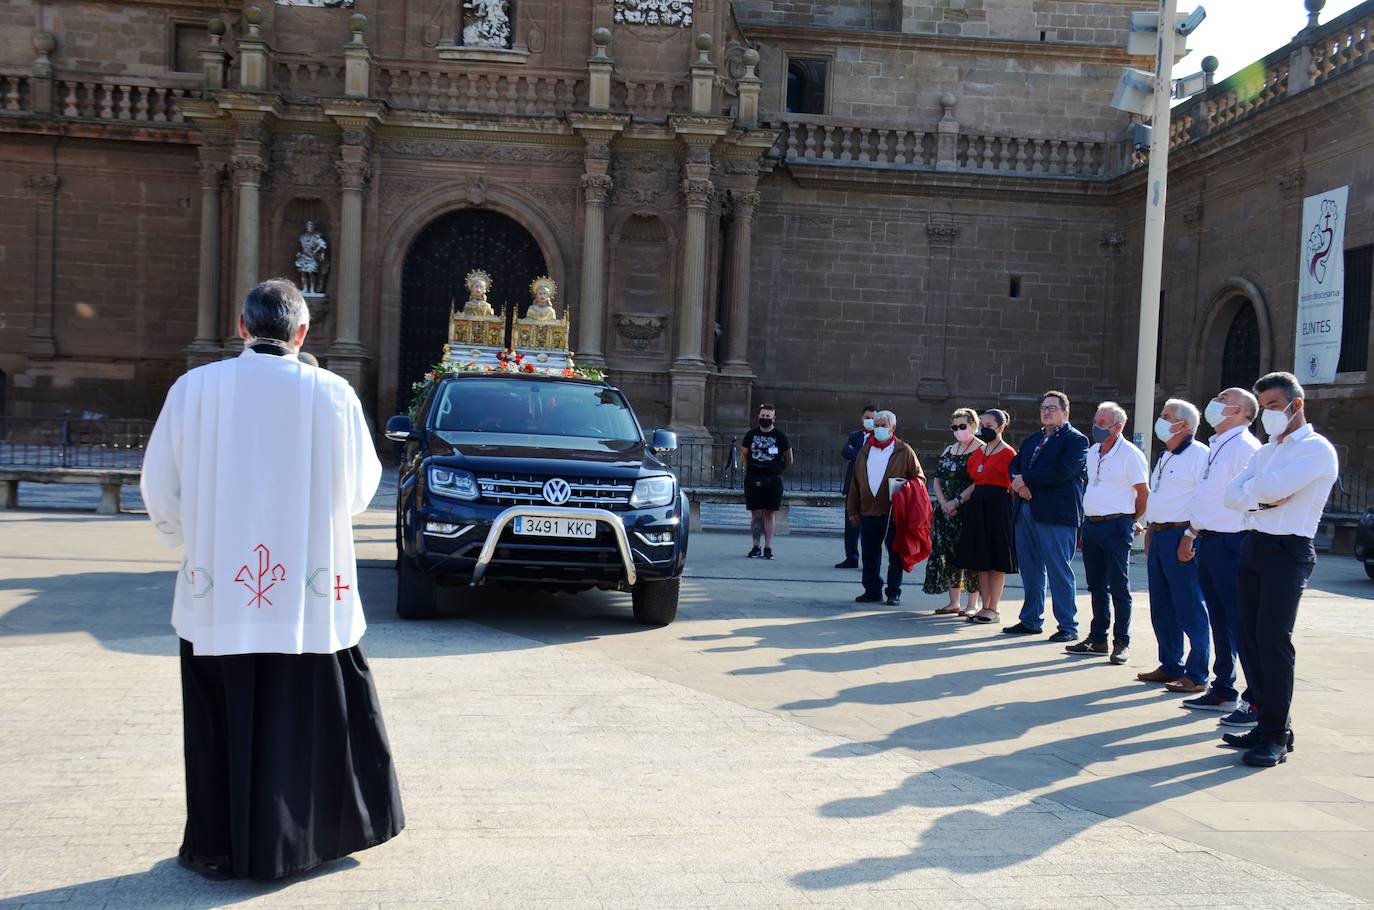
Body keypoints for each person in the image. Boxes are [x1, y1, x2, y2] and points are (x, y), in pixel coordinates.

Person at [140, 279, 404, 881]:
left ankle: (219, 847)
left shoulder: (194, 390)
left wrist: (190, 534)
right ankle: (298, 843)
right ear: (302, 334)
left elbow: (159, 485)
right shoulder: (333, 394)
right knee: (305, 717)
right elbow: (361, 489)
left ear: (241, 328)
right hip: (307, 598)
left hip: (218, 597)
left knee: (219, 722)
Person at [1222, 372, 1338, 767]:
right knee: (1248, 637)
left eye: (1273, 406)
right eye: (1264, 407)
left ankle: (1276, 736)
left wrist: (1258, 495)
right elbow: (1230, 495)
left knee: (1273, 639)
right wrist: (1262, 500)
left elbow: (1260, 492)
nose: (1267, 414)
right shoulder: (1267, 451)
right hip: (1255, 544)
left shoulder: (1316, 450)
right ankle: (1265, 720)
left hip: (1288, 550)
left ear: (1295, 404)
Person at [1181, 387, 1262, 717]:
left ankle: (1255, 696)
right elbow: (1209, 497)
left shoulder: (1244, 447)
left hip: (1234, 542)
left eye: (1224, 400)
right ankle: (1223, 687)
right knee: (1220, 619)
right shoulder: (1218, 446)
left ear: (1242, 411)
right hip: (1211, 540)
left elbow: (1252, 499)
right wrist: (1193, 530)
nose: (1215, 402)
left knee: (1239, 621)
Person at [1136, 399, 1211, 694]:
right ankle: (1170, 664)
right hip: (1161, 534)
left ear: (1184, 424)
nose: (1161, 420)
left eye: (1166, 416)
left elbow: (1204, 498)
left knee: (1189, 605)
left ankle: (1197, 673)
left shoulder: (1199, 454)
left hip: (1182, 535)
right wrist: (1152, 527)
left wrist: (1192, 534)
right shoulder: (1167, 454)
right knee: (1162, 605)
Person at [1066, 402, 1148, 664]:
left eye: (1103, 423)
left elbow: (1143, 493)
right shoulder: (1092, 452)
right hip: (1092, 524)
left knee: (1119, 586)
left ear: (1118, 426)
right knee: (1096, 585)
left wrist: (1130, 519)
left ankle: (1121, 641)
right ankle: (1098, 637)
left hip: (1116, 525)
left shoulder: (1130, 454)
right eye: (1096, 421)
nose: (1096, 427)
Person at [1004, 391, 1089, 642]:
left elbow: (1062, 471)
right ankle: (1030, 619)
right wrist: (1019, 484)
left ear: (1066, 412)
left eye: (1052, 407)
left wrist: (1026, 480)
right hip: (1025, 510)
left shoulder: (1076, 440)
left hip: (1055, 514)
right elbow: (1015, 466)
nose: (1046, 412)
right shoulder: (1033, 439)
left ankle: (1067, 625)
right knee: (1030, 569)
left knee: (1058, 569)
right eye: (1043, 407)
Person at [846, 410, 924, 606]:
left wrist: (904, 487)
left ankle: (893, 592)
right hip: (868, 511)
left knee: (895, 554)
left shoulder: (904, 450)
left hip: (893, 513)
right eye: (877, 424)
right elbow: (855, 483)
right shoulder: (865, 450)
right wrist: (853, 511)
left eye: (883, 425)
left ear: (893, 428)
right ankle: (872, 590)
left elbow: (919, 478)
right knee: (869, 553)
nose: (879, 428)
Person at [953, 409, 1017, 625]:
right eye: (982, 425)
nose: (984, 429)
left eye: (989, 425)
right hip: (978, 506)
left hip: (998, 507)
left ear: (1000, 427)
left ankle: (994, 607)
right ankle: (983, 605)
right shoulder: (978, 453)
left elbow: (1012, 484)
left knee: (997, 559)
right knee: (982, 559)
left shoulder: (1009, 454)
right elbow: (974, 479)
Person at [927, 407, 982, 616]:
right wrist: (944, 503)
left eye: (962, 426)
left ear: (973, 426)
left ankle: (972, 604)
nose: (958, 430)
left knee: (970, 556)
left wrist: (957, 501)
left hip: (968, 511)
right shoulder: (949, 449)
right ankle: (953, 602)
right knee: (950, 556)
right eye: (955, 427)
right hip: (946, 511)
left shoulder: (981, 449)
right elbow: (938, 479)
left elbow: (979, 481)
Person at [741, 403, 792, 559]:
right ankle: (756, 546)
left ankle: (768, 547)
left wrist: (777, 469)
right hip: (753, 479)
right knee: (755, 514)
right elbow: (744, 454)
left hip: (772, 480)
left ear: (773, 418)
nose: (764, 419)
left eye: (767, 416)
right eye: (762, 416)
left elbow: (789, 458)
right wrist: (752, 468)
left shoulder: (780, 437)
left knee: (769, 514)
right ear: (759, 417)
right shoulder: (750, 435)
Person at [836, 405, 878, 569]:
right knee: (850, 525)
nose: (870, 421)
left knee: (869, 526)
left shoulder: (880, 438)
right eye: (867, 417)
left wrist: (857, 454)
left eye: (873, 418)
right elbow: (846, 452)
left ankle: (869, 559)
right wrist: (862, 454)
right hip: (853, 486)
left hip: (871, 488)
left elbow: (874, 457)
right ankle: (851, 557)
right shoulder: (854, 436)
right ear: (862, 418)